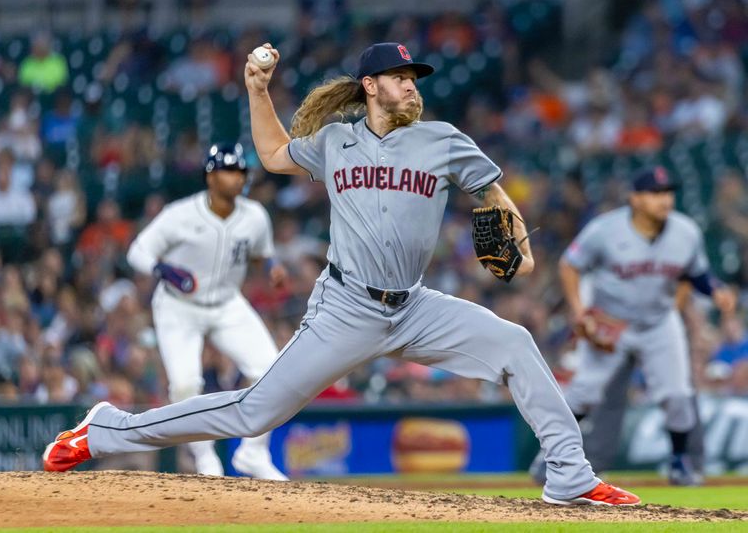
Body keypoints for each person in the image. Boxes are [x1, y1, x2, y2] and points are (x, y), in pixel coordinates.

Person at [43, 42, 639, 506]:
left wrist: (521, 249)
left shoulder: (443, 141)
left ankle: (569, 474)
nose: (411, 85)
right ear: (371, 86)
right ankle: (107, 430)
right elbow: (275, 155)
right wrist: (257, 90)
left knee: (515, 342)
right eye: (402, 77)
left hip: (414, 307)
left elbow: (494, 198)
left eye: (415, 78)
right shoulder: (334, 142)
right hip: (346, 307)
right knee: (255, 413)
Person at [531, 167, 736, 486]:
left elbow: (697, 274)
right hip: (611, 322)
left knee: (677, 396)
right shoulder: (605, 230)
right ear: (635, 198)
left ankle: (681, 462)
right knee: (584, 392)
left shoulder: (686, 231)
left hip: (658, 322)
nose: (664, 199)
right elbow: (570, 264)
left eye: (668, 192)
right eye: (655, 193)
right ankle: (552, 454)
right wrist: (579, 311)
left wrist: (716, 290)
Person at [123, 142, 288, 480]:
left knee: (274, 372)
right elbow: (137, 251)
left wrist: (272, 266)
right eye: (229, 171)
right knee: (184, 384)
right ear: (210, 177)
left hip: (227, 304)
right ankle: (204, 458)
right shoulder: (180, 214)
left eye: (241, 171)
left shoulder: (255, 216)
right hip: (177, 306)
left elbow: (263, 251)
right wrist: (164, 270)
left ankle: (253, 453)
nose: (237, 178)